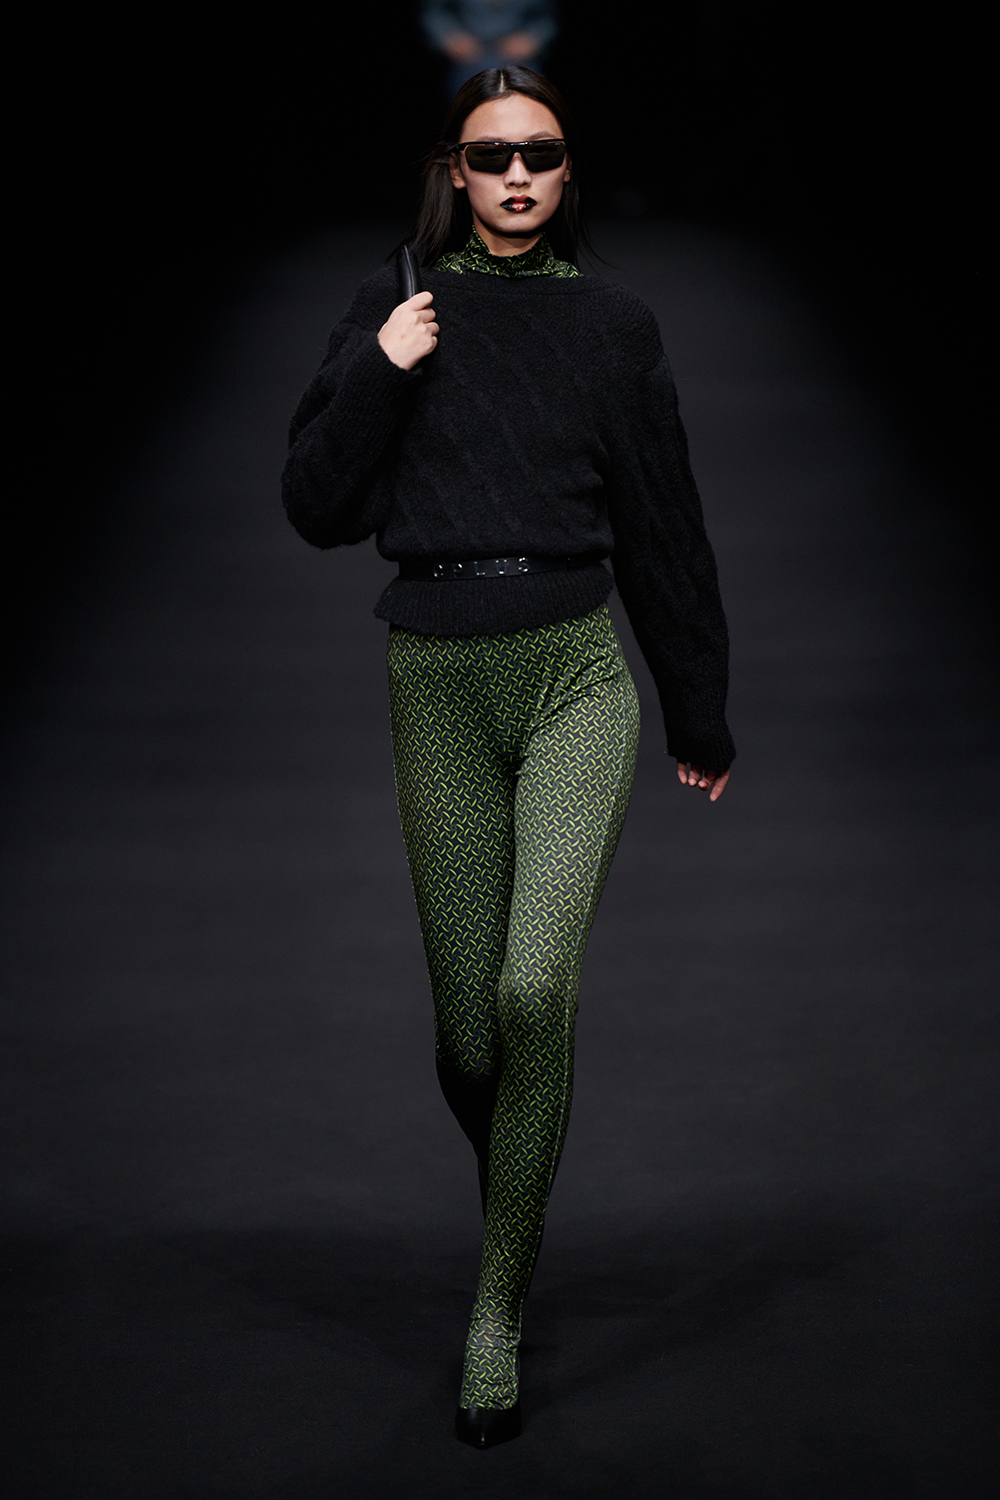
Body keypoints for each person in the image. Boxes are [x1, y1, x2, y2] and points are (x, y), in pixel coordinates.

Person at [282, 66, 735, 1449]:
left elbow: (663, 521)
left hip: (573, 676)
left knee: (535, 988)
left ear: (568, 168)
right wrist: (381, 367)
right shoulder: (397, 305)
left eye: (540, 152)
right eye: (492, 157)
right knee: (470, 1037)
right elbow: (315, 506)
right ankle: (520, 1204)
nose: (518, 175)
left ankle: (496, 1308)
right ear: (455, 171)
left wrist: (698, 708)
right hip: (434, 678)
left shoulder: (612, 323)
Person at [420, 1, 558, 95]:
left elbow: (549, 17)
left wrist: (532, 38)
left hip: (519, 58)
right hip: (469, 57)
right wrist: (449, 37)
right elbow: (433, 11)